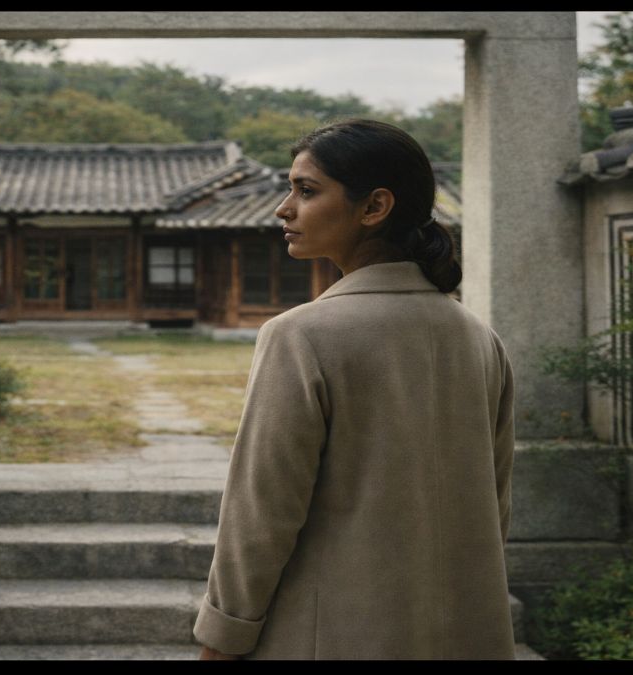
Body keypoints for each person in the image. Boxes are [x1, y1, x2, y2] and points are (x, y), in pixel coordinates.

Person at [193, 118, 516, 660]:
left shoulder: (300, 335)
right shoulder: (478, 337)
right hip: (462, 632)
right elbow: (493, 508)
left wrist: (223, 637)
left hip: (333, 634)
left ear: (374, 207)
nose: (284, 209)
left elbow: (261, 515)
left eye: (306, 190)